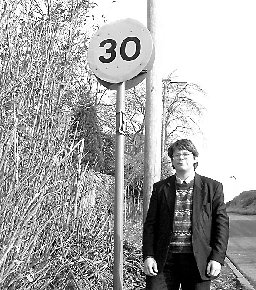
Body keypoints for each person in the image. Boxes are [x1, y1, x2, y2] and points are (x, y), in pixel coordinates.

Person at [143, 139, 229, 290]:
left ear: (195, 158)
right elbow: (150, 224)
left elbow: (221, 225)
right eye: (176, 155)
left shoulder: (212, 187)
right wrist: (148, 256)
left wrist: (217, 258)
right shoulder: (160, 188)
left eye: (185, 154)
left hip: (198, 260)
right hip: (164, 260)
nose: (181, 158)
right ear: (172, 161)